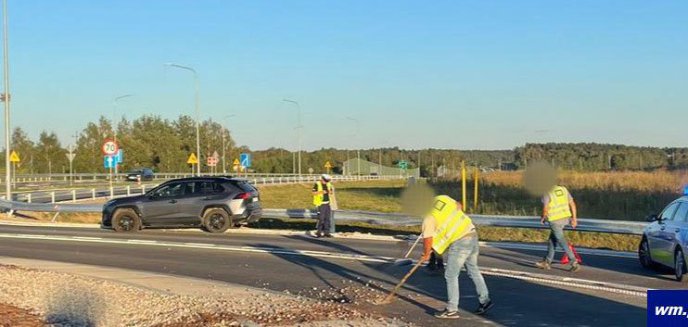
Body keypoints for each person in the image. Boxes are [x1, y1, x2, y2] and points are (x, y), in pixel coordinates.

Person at [421, 195, 493, 319]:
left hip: (460, 242)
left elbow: (428, 238)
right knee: (473, 270)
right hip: (471, 234)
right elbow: (459, 205)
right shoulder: (442, 199)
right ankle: (485, 300)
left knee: (451, 275)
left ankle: (451, 309)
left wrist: (426, 254)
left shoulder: (428, 218)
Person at [535, 184, 581, 272]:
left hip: (554, 220)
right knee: (552, 240)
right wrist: (574, 219)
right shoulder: (563, 189)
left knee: (561, 239)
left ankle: (574, 261)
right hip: (565, 218)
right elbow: (572, 204)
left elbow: (545, 208)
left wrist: (543, 217)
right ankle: (547, 262)